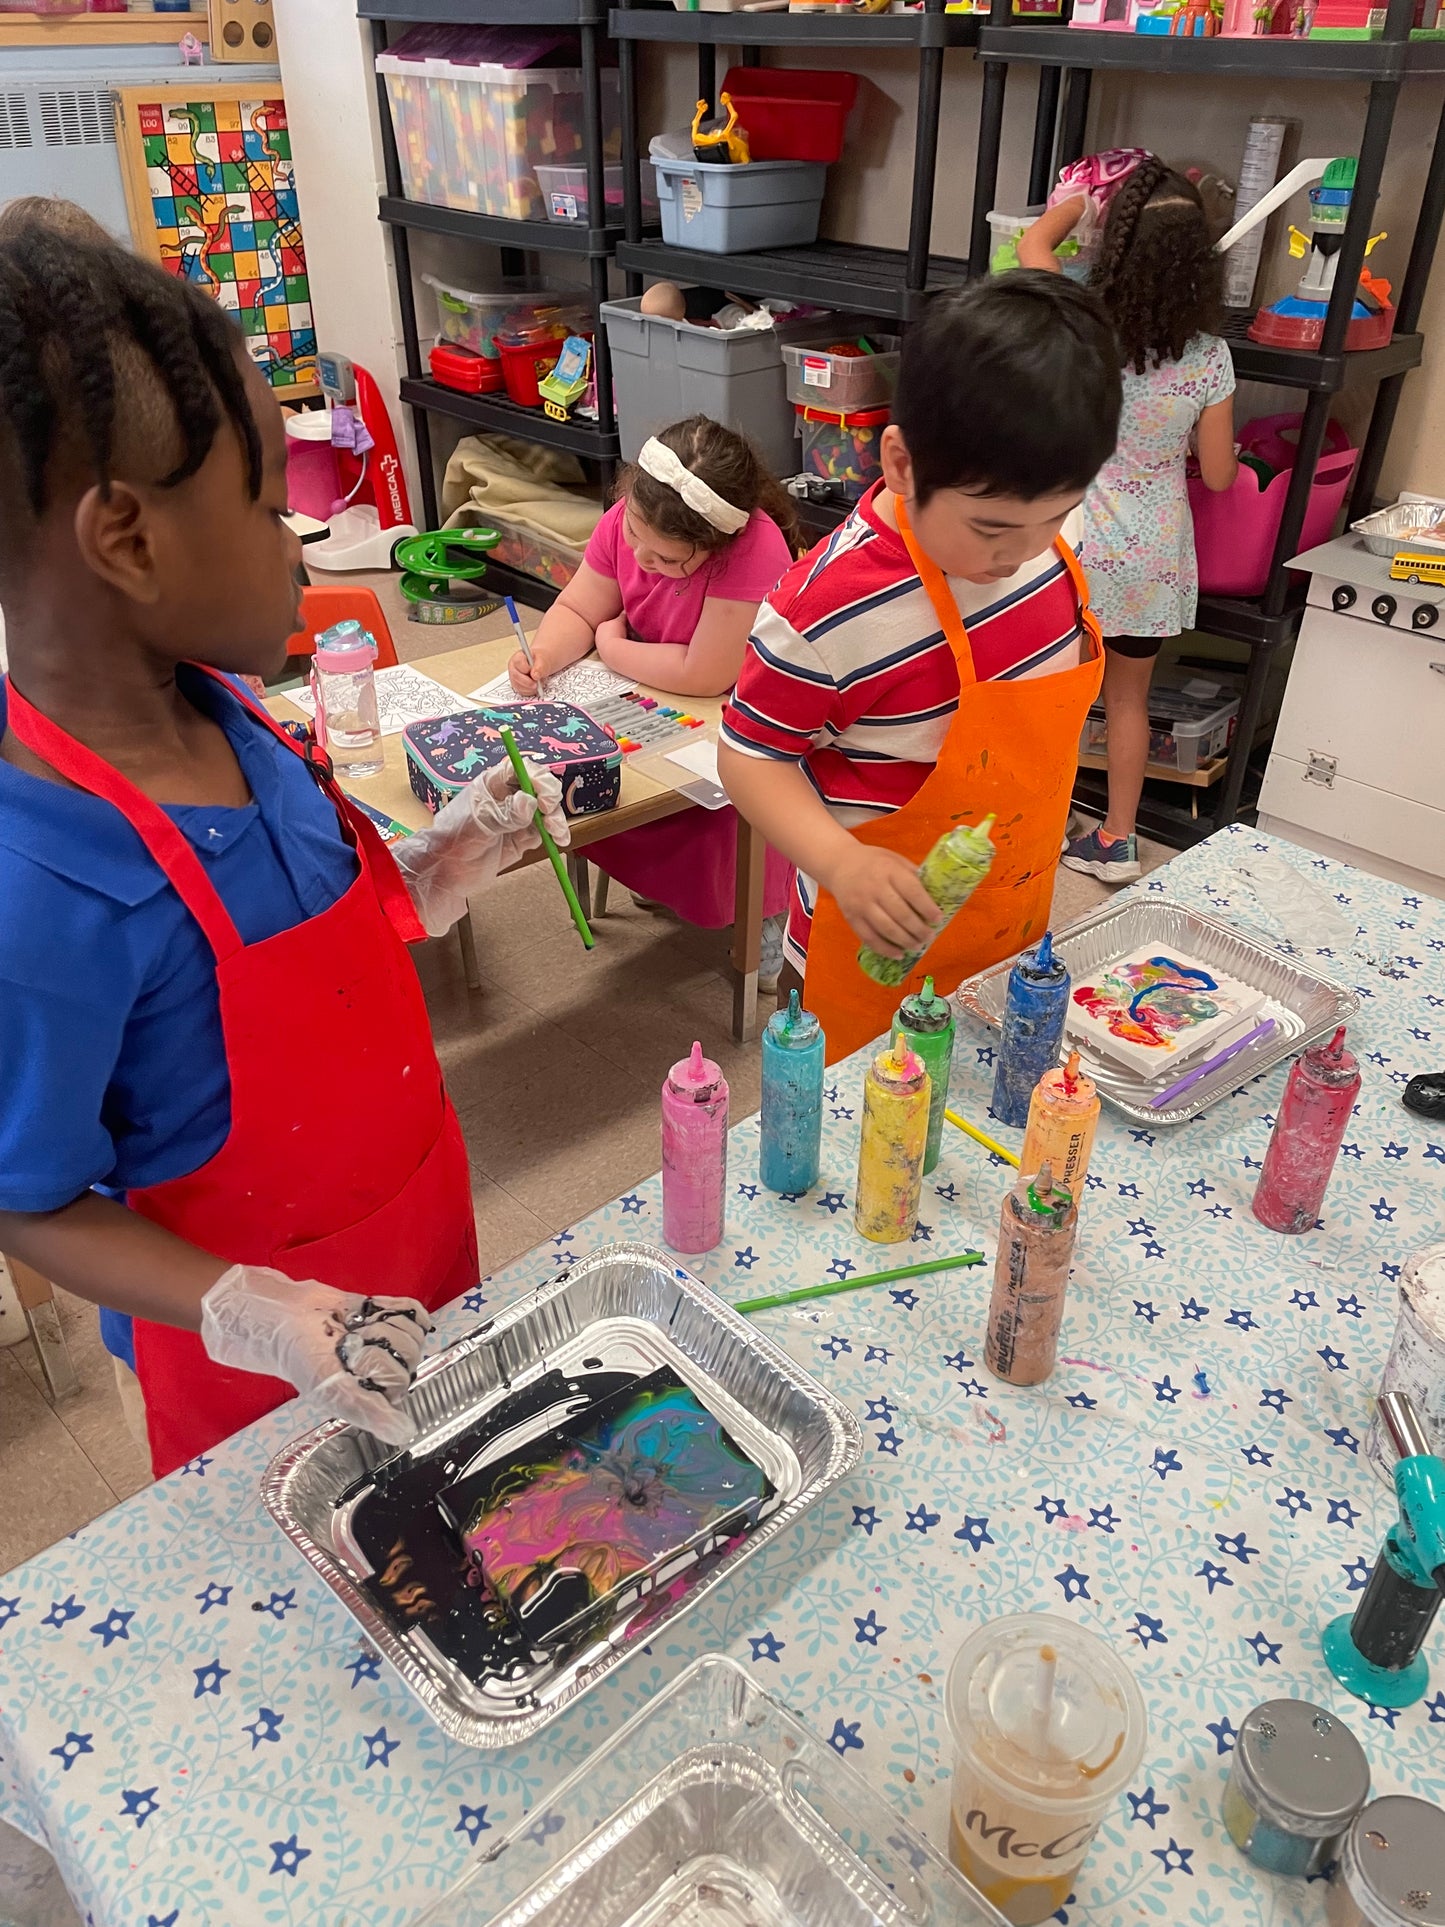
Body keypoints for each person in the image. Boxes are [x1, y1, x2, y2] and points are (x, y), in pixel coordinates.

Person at [0, 219, 568, 1478]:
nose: (299, 550)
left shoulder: (233, 709)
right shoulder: (37, 892)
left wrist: (425, 879)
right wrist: (251, 1311)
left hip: (414, 1240)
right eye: (271, 513)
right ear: (128, 540)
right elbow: (27, 1198)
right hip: (246, 1363)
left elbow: (298, 940)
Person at [718, 274, 1122, 1063]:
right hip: (871, 948)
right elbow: (748, 756)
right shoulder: (826, 611)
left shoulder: (1042, 547)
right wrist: (839, 861)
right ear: (901, 463)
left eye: (1055, 516)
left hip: (1009, 926)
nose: (1022, 552)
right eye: (991, 529)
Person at [507, 416, 797, 988]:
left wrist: (612, 647)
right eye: (635, 535)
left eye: (667, 560)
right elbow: (579, 608)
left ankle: (766, 913)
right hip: (651, 681)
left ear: (715, 546)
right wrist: (543, 655)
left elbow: (706, 674)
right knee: (616, 775)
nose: (640, 558)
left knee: (726, 794)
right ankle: (662, 883)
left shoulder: (756, 548)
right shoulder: (632, 517)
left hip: (736, 709)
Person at [1020, 157, 1238, 883]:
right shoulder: (1210, 357)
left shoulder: (1084, 323)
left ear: (1116, 246)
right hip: (1151, 557)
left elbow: (1031, 247)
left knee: (1054, 697)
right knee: (1127, 702)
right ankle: (1117, 840)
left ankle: (1042, 820)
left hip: (1072, 546)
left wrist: (1079, 202)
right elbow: (1217, 475)